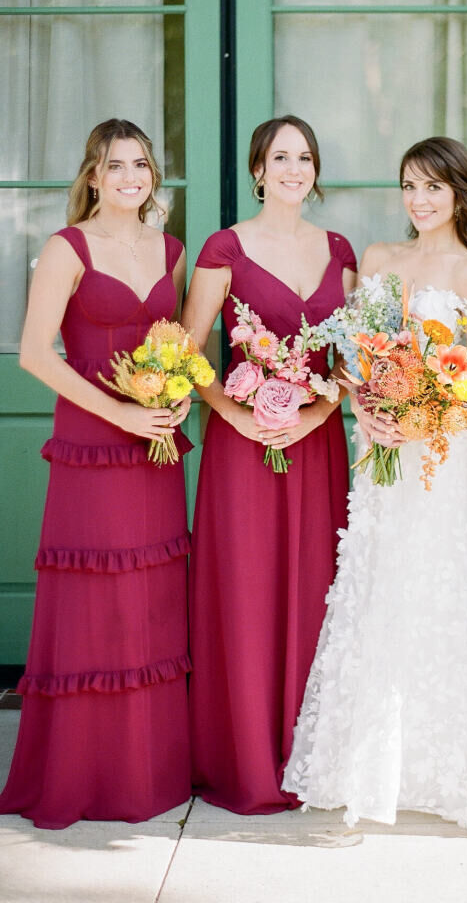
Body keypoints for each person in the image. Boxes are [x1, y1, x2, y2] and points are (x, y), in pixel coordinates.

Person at [282, 136, 467, 828]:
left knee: (437, 589)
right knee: (378, 585)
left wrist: (431, 414)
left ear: (459, 195)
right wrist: (368, 407)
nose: (419, 201)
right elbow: (356, 359)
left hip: (439, 459)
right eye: (409, 187)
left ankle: (446, 761)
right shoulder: (380, 262)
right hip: (381, 454)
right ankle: (366, 761)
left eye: (433, 188)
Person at [0, 119, 192, 829]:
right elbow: (34, 355)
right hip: (93, 444)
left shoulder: (170, 251)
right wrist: (121, 414)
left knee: (151, 598)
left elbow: (172, 344)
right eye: (115, 166)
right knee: (95, 603)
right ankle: (84, 774)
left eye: (141, 164)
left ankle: (148, 770)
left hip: (157, 448)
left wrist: (167, 399)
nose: (130, 177)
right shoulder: (66, 248)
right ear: (92, 177)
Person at [182, 115, 355, 815]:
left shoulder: (340, 250)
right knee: (248, 594)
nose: (293, 168)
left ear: (316, 170)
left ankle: (310, 756)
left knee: (317, 589)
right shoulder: (225, 248)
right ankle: (247, 760)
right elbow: (188, 353)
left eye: (304, 157)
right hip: (242, 450)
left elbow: (356, 360)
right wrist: (240, 416)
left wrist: (314, 415)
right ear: (258, 169)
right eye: (280, 156)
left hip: (317, 446)